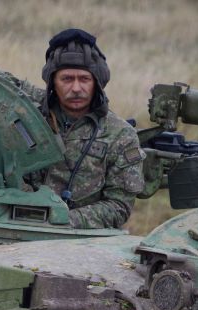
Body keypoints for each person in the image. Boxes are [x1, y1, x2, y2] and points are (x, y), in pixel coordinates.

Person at [23, 28, 145, 229]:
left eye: (84, 79)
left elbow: (119, 206)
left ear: (96, 83)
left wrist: (62, 220)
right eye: (67, 79)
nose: (76, 88)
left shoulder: (120, 135)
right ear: (53, 82)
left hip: (83, 239)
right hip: (22, 227)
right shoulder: (28, 119)